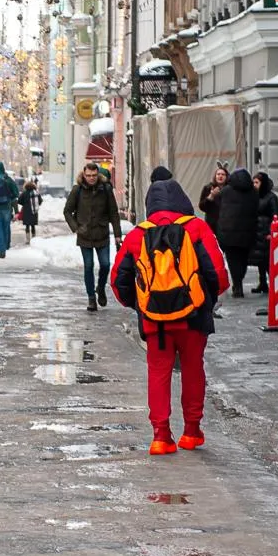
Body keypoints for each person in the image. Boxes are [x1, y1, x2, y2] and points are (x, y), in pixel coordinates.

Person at [112, 176, 227, 455]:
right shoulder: (196, 227)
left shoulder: (139, 234)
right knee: (192, 368)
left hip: (155, 319)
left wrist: (140, 304)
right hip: (194, 316)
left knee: (159, 372)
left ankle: (161, 435)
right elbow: (219, 274)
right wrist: (206, 299)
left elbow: (118, 280)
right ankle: (191, 431)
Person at [63, 162, 123, 312]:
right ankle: (91, 298)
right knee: (88, 266)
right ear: (84, 175)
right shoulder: (77, 190)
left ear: (98, 175)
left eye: (94, 175)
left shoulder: (106, 189)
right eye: (88, 175)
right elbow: (67, 211)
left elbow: (113, 213)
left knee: (105, 265)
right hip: (85, 235)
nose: (91, 178)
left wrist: (117, 234)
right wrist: (76, 228)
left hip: (101, 233)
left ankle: (100, 288)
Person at [214, 168, 257, 299]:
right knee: (243, 259)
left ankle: (237, 285)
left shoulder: (225, 191)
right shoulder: (254, 192)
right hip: (248, 232)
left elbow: (218, 207)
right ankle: (239, 281)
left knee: (233, 261)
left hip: (229, 233)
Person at [251, 171, 278, 294]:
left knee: (268, 260)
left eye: (257, 182)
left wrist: (271, 232)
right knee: (260, 260)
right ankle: (262, 283)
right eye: (253, 182)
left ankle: (274, 284)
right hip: (257, 232)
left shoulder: (271, 197)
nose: (254, 185)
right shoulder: (255, 196)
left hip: (266, 232)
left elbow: (275, 216)